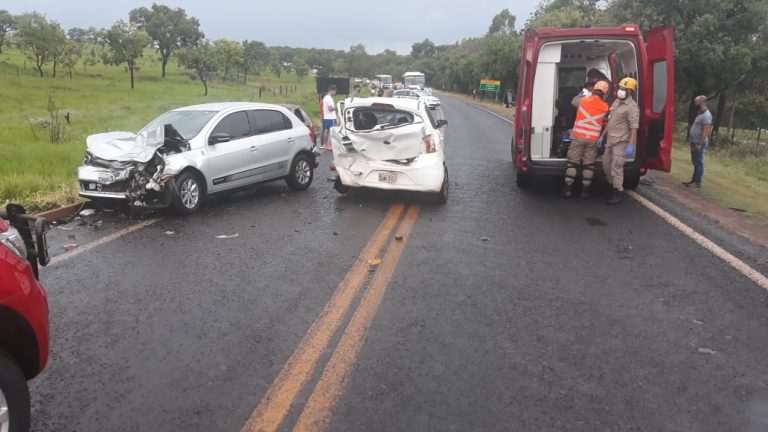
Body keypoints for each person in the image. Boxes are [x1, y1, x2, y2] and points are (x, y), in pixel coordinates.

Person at [563, 80, 610, 198]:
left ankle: (567, 190)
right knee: (589, 165)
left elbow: (573, 102)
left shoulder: (583, 101)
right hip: (593, 139)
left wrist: (582, 94)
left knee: (572, 163)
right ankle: (585, 191)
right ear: (604, 93)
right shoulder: (605, 107)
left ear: (594, 90)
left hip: (578, 136)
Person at [599, 77, 640, 204]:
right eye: (621, 88)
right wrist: (602, 136)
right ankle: (613, 186)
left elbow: (634, 127)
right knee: (606, 165)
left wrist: (631, 145)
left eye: (624, 89)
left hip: (621, 141)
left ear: (630, 92)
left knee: (616, 167)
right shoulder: (616, 102)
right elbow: (610, 121)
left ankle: (617, 191)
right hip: (610, 139)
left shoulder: (632, 107)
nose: (621, 91)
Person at [684, 95, 713, 188]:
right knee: (695, 161)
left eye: (697, 102)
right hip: (694, 141)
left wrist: (700, 143)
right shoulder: (700, 113)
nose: (695, 103)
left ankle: (697, 182)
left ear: (702, 102)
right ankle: (694, 180)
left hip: (699, 142)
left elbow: (706, 130)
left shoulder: (706, 115)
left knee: (699, 161)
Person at [321, 85, 337, 150]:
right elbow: (330, 109)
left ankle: (325, 145)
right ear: (332, 90)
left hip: (326, 117)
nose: (335, 93)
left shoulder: (325, 97)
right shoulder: (329, 98)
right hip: (331, 118)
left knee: (326, 131)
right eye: (335, 91)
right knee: (330, 133)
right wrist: (337, 107)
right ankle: (329, 146)